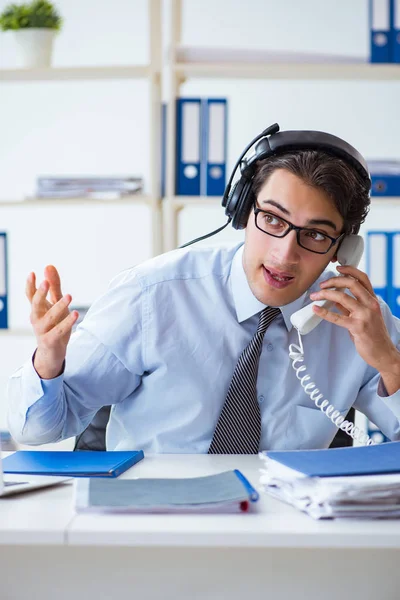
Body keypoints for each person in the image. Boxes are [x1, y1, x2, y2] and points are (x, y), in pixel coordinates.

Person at [7, 123, 400, 453]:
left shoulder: (361, 320)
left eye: (314, 234)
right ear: (244, 210)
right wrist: (49, 360)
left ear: (344, 249)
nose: (285, 254)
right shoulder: (150, 295)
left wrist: (389, 361)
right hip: (157, 518)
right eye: (273, 220)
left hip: (289, 531)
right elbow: (37, 431)